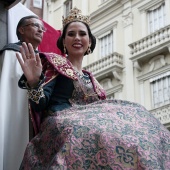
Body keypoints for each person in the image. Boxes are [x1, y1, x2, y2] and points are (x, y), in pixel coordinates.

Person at [16, 7, 170, 169]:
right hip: (62, 121)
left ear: (89, 42)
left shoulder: (91, 78)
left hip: (90, 123)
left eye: (82, 34)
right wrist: (34, 83)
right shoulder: (54, 63)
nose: (77, 38)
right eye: (71, 34)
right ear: (63, 42)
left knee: (138, 121)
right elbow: (40, 104)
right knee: (87, 130)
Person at [0, 15, 45, 170]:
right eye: (35, 25)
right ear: (22, 29)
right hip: (13, 115)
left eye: (42, 28)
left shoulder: (45, 60)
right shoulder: (11, 53)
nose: (41, 30)